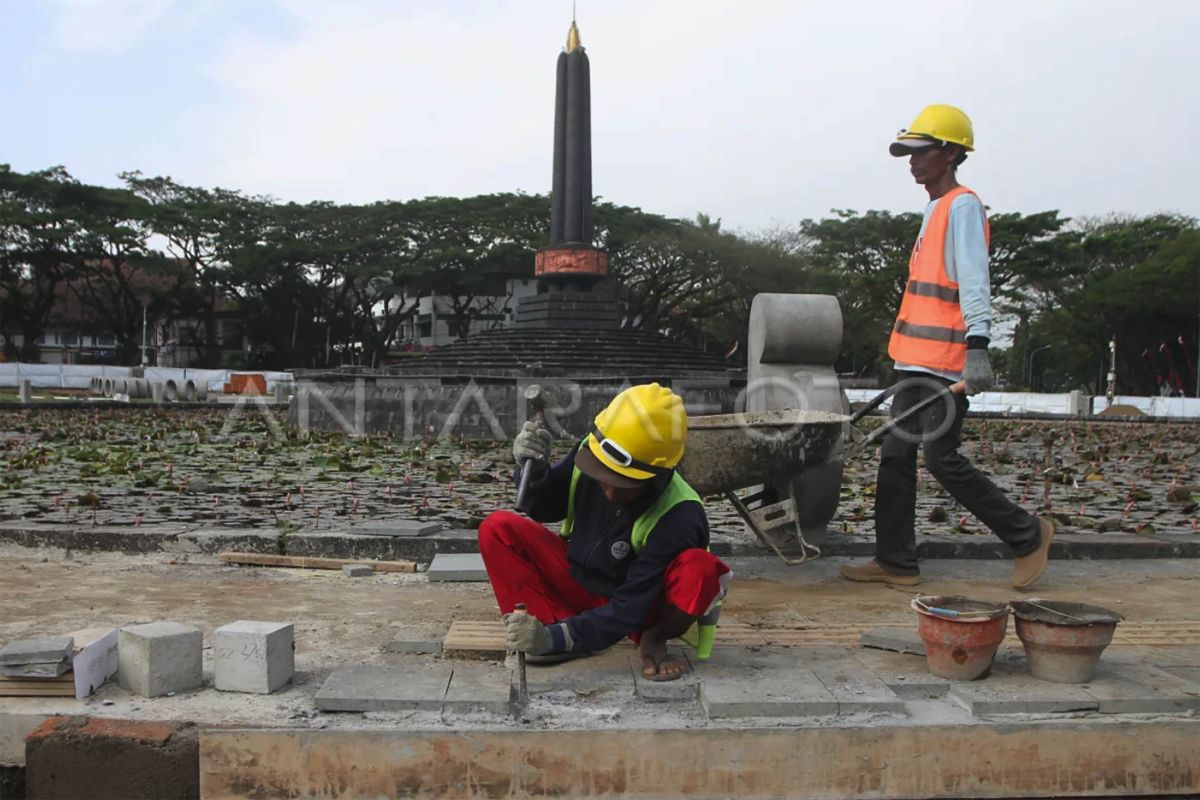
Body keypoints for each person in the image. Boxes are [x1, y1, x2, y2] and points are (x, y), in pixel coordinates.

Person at [840, 104, 1054, 589]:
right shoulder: (935, 207)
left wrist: (978, 347)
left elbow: (975, 284)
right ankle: (895, 560)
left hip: (946, 364)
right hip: (915, 361)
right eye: (908, 153)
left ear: (952, 152)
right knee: (895, 458)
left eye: (922, 151)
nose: (912, 161)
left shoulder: (962, 205)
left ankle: (1027, 535)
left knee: (941, 459)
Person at [479, 383, 731, 681]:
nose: (609, 490)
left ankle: (653, 638)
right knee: (497, 528)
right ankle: (549, 628)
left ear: (656, 474)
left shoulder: (680, 515)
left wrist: (649, 629)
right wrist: (529, 468)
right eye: (602, 475)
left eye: (623, 482)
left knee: (700, 570)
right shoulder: (592, 449)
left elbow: (629, 607)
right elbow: (544, 507)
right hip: (578, 578)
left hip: (640, 608)